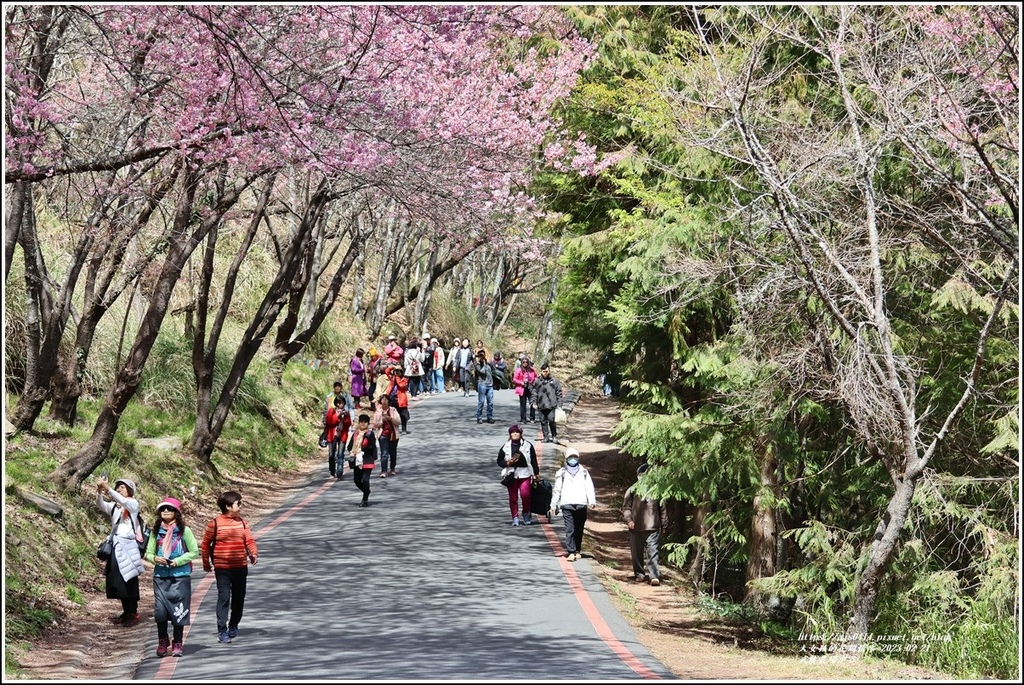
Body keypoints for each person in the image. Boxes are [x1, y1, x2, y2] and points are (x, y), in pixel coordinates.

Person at [201, 491, 259, 643]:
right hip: (223, 569)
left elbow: (249, 540)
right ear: (228, 506)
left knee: (239, 598)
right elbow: (205, 545)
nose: (241, 506)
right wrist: (206, 563)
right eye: (238, 504)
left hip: (240, 567)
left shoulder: (242, 522)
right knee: (224, 597)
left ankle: (234, 624)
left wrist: (253, 553)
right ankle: (222, 630)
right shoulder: (215, 523)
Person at [145, 496, 199, 658]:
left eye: (169, 509)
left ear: (177, 512)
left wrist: (177, 561)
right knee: (160, 612)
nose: (166, 511)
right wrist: (155, 559)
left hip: (180, 577)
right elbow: (148, 553)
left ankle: (177, 642)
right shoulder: (156, 532)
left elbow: (194, 552)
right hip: (160, 577)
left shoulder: (185, 531)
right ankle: (163, 640)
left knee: (179, 611)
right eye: (163, 509)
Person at [96, 475, 145, 627]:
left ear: (130, 490)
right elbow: (100, 505)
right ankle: (126, 611)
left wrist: (108, 488)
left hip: (128, 547)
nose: (119, 489)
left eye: (122, 487)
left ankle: (133, 612)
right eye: (118, 487)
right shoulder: (115, 507)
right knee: (117, 581)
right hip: (116, 546)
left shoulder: (133, 504)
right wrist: (99, 491)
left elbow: (124, 501)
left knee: (129, 580)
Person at [622, 463, 668, 586]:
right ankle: (639, 574)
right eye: (641, 475)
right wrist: (629, 520)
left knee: (653, 551)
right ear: (638, 475)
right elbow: (626, 507)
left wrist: (664, 525)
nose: (643, 477)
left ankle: (654, 576)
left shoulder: (657, 491)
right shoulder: (632, 490)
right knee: (636, 552)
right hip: (635, 526)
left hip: (652, 526)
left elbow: (662, 509)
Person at [550, 448, 597, 561]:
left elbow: (589, 487)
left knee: (579, 528)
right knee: (569, 529)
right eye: (571, 457)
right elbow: (557, 490)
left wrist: (592, 501)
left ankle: (577, 550)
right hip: (567, 504)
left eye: (575, 457)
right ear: (566, 459)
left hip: (581, 504)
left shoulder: (584, 472)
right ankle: (571, 551)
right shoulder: (561, 473)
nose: (573, 459)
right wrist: (553, 505)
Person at [496, 424, 539, 526]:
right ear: (510, 434)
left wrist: (536, 473)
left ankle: (526, 513)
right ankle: (515, 517)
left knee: (525, 495)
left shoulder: (528, 445)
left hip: (525, 474)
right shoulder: (505, 447)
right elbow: (499, 461)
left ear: (521, 434)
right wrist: (507, 463)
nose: (515, 434)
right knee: (513, 497)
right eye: (513, 432)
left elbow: (533, 460)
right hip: (511, 474)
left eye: (517, 432)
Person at [347, 413, 378, 506]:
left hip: (367, 459)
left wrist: (362, 448)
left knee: (365, 479)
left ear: (368, 424)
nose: (363, 424)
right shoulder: (355, 433)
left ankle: (365, 499)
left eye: (365, 422)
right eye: (361, 422)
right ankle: (367, 491)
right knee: (356, 480)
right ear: (359, 423)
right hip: (357, 459)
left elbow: (372, 446)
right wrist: (353, 452)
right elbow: (349, 446)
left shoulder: (370, 434)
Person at [531, 362, 563, 443]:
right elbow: (534, 392)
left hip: (551, 405)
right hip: (541, 405)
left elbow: (559, 393)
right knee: (543, 421)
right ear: (541, 371)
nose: (545, 373)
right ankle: (546, 437)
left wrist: (559, 404)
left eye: (547, 371)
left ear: (549, 371)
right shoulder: (537, 381)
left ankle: (554, 436)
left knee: (551, 420)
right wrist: (534, 402)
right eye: (543, 371)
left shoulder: (554, 381)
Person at [373, 393, 401, 478]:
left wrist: (391, 419)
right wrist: (382, 421)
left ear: (389, 401)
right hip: (383, 435)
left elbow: (398, 422)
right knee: (384, 453)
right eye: (382, 400)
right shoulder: (378, 412)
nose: (384, 402)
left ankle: (392, 468)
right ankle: (384, 470)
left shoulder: (393, 410)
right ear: (380, 402)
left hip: (393, 435)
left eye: (386, 400)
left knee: (393, 453)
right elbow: (375, 424)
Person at [325, 395, 352, 480]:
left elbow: (348, 424)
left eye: (342, 403)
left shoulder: (346, 412)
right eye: (339, 403)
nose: (341, 405)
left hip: (342, 435)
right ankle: (332, 471)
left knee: (340, 454)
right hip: (332, 435)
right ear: (336, 404)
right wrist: (338, 415)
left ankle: (339, 472)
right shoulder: (332, 411)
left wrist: (346, 416)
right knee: (331, 455)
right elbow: (329, 422)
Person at [384, 365, 411, 434]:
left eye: (399, 371)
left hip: (401, 400)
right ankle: (393, 429)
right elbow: (387, 371)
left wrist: (397, 377)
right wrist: (393, 367)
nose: (398, 373)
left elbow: (401, 385)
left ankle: (404, 429)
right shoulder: (392, 378)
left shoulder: (404, 379)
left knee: (403, 415)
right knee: (392, 415)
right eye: (396, 371)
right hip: (392, 399)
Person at [473, 349, 495, 424]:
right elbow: (482, 372)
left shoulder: (488, 363)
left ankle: (490, 416)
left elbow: (494, 370)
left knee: (490, 402)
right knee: (481, 402)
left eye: (483, 355)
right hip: (482, 384)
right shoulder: (477, 365)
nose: (482, 357)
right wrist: (483, 363)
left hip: (490, 385)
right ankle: (479, 417)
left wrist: (488, 362)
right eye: (480, 356)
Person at [512, 358, 537, 424]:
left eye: (526, 362)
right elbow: (514, 379)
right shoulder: (519, 370)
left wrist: (533, 381)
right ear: (521, 363)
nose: (525, 363)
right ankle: (523, 418)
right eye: (523, 362)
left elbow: (535, 377)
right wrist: (521, 382)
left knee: (532, 403)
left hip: (530, 388)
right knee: (523, 404)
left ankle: (532, 417)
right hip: (522, 388)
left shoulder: (531, 370)